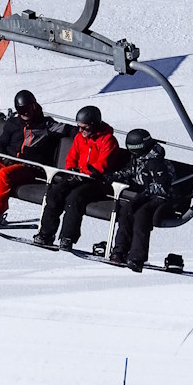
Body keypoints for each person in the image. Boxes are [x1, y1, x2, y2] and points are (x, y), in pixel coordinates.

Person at [0, 89, 68, 230]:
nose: (24, 113)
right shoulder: (13, 123)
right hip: (6, 161)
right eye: (20, 110)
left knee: (2, 176)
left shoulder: (47, 125)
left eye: (27, 108)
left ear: (34, 105)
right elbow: (1, 143)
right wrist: (2, 157)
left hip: (28, 167)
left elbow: (71, 130)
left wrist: (92, 128)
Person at [33, 105, 119, 250]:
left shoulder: (108, 140)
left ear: (94, 125)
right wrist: (72, 170)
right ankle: (46, 233)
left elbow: (102, 165)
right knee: (55, 193)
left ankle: (67, 237)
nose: (81, 131)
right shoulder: (80, 137)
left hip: (97, 181)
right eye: (79, 127)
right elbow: (72, 156)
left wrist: (84, 173)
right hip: (78, 176)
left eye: (84, 128)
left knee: (75, 198)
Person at [106, 128, 176, 273]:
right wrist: (112, 176)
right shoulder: (139, 158)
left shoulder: (157, 162)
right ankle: (119, 251)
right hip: (146, 196)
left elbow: (163, 186)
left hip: (163, 199)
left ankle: (137, 258)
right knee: (126, 210)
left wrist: (145, 191)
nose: (133, 154)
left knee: (141, 215)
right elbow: (130, 171)